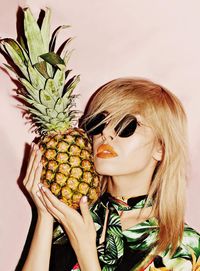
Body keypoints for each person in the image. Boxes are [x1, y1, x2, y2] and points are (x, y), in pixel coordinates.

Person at [22, 77, 200, 271]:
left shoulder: (183, 249)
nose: (106, 133)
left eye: (127, 124)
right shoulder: (72, 218)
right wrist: (45, 215)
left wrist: (85, 250)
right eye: (99, 122)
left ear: (161, 148)